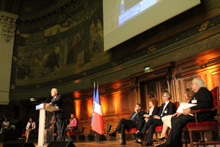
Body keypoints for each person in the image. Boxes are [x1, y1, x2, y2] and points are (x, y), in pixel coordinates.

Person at [157, 78, 214, 147]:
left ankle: (170, 143)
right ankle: (175, 143)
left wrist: (190, 109)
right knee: (175, 118)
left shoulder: (203, 90)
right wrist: (180, 112)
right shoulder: (197, 93)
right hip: (195, 114)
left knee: (177, 120)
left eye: (192, 84)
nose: (191, 86)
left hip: (201, 115)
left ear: (197, 84)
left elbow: (206, 104)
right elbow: (189, 104)